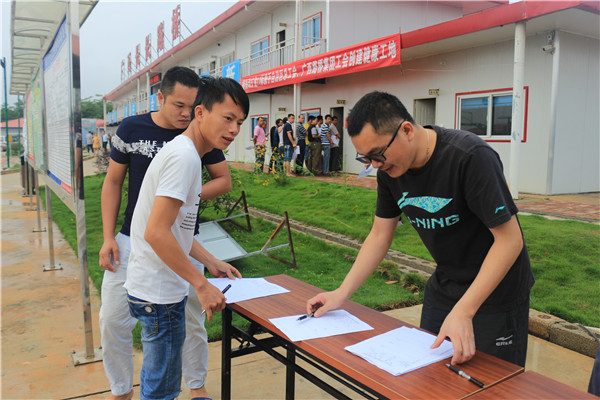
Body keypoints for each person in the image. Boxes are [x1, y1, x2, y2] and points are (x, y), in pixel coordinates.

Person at [307, 91, 534, 367]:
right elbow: (379, 235)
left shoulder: (470, 157)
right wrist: (341, 293)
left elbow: (509, 241)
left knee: (491, 382)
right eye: (366, 158)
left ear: (406, 131)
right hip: (446, 286)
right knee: (426, 375)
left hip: (496, 293)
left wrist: (464, 310)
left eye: (378, 154)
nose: (376, 165)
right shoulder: (390, 172)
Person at [98, 66, 232, 400]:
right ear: (160, 98)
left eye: (192, 106)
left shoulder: (200, 133)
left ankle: (196, 386)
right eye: (178, 105)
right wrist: (108, 236)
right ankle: (121, 389)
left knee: (191, 321)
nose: (186, 113)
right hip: (136, 238)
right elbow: (113, 182)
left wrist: (184, 195)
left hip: (183, 239)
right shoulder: (133, 129)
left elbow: (223, 180)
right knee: (113, 320)